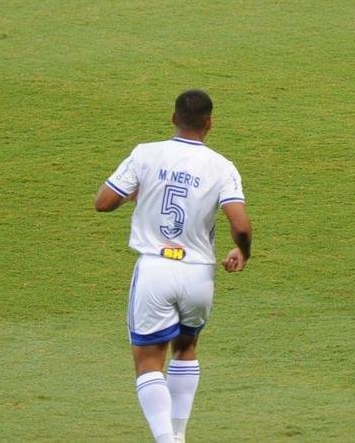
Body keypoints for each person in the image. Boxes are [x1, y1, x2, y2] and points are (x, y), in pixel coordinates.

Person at [94, 89, 252, 443]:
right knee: (186, 348)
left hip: (155, 269)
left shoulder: (146, 154)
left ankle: (168, 440)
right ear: (209, 123)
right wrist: (243, 252)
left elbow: (103, 203)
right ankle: (178, 434)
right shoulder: (221, 166)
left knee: (149, 361)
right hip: (198, 273)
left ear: (172, 118)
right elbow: (240, 225)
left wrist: (136, 192)